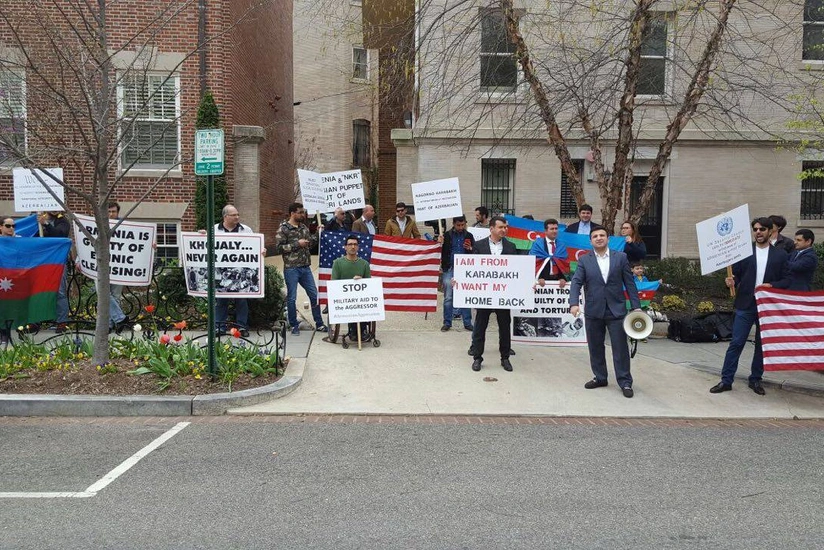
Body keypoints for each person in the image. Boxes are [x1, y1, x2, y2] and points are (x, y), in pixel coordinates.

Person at [710, 217, 790, 396]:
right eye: (755, 229)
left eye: (762, 229)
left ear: (770, 231)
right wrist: (731, 281)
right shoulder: (744, 253)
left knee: (761, 345)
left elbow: (787, 279)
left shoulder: (780, 255)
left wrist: (773, 286)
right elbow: (736, 275)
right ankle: (726, 380)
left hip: (768, 306)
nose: (758, 232)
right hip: (745, 304)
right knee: (736, 342)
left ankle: (755, 380)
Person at [569, 227, 641, 398]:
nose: (599, 238)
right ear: (590, 241)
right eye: (595, 236)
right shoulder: (584, 260)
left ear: (608, 238)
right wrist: (573, 303)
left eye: (602, 235)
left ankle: (625, 382)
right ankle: (600, 377)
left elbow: (630, 284)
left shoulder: (621, 258)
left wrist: (636, 306)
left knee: (620, 348)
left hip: (616, 310)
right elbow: (576, 282)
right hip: (593, 310)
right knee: (595, 347)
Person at [469, 216, 518, 372]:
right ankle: (477, 357)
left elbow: (516, 271)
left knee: (504, 326)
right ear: (491, 229)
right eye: (501, 227)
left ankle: (505, 357)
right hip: (484, 294)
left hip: (503, 295)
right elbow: (471, 269)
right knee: (479, 326)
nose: (504, 230)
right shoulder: (478, 246)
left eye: (505, 227)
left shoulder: (511, 247)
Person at [275, 202, 328, 336]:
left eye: (303, 212)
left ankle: (319, 324)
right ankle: (294, 325)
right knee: (292, 298)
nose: (303, 214)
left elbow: (310, 243)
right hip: (291, 268)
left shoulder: (303, 227)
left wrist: (318, 232)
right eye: (300, 212)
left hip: (305, 267)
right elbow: (279, 248)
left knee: (314, 295)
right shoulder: (283, 229)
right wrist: (296, 244)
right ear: (292, 213)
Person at [215, 204, 265, 337]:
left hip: (240, 274)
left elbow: (254, 246)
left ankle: (242, 327)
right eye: (233, 215)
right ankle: (219, 327)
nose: (237, 217)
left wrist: (261, 251)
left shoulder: (246, 230)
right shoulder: (214, 230)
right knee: (221, 301)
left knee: (242, 301)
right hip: (222, 274)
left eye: (238, 214)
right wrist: (201, 236)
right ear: (225, 217)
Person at [331, 234, 371, 340]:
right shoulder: (338, 263)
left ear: (358, 247)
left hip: (360, 298)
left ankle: (361, 330)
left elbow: (369, 285)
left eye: (355, 244)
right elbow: (334, 283)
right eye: (350, 244)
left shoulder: (364, 264)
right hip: (344, 298)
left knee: (361, 305)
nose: (353, 247)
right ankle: (354, 331)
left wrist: (361, 281)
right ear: (345, 247)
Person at [439, 216, 474, 332]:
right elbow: (439, 251)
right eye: (458, 225)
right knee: (448, 297)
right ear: (453, 224)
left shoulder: (469, 236)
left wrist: (470, 248)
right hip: (449, 268)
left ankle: (467, 322)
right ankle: (447, 322)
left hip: (465, 270)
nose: (460, 227)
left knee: (465, 296)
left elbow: (476, 252)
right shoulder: (446, 236)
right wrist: (439, 243)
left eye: (462, 225)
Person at [38, 211, 71, 333]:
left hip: (58, 262)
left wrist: (46, 224)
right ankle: (36, 321)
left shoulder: (63, 221)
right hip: (41, 262)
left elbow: (60, 235)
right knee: (38, 291)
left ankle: (62, 322)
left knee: (60, 292)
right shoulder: (36, 220)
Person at [103, 202, 130, 332]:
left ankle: (110, 325)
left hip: (119, 265)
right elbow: (87, 242)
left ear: (118, 212)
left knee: (115, 295)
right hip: (101, 266)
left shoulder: (125, 226)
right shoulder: (96, 224)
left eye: (113, 212)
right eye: (108, 212)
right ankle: (120, 319)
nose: (111, 214)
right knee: (102, 293)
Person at [530, 218, 568, 288]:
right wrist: (539, 277)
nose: (554, 231)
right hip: (541, 280)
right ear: (545, 231)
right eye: (552, 229)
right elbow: (533, 263)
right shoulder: (537, 244)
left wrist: (563, 278)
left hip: (557, 281)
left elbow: (564, 263)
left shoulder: (561, 245)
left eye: (556, 229)